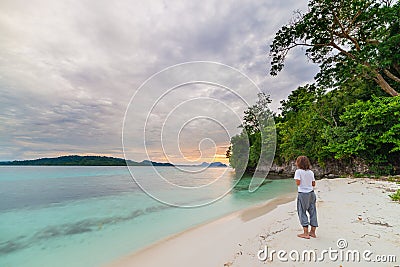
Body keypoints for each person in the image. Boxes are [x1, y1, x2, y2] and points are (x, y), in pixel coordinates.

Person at [294, 155, 318, 239]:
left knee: (302, 211)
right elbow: (313, 184)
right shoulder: (310, 172)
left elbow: (298, 183)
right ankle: (313, 232)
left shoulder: (298, 172)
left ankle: (305, 233)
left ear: (299, 163)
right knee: (313, 211)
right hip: (311, 193)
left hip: (303, 194)